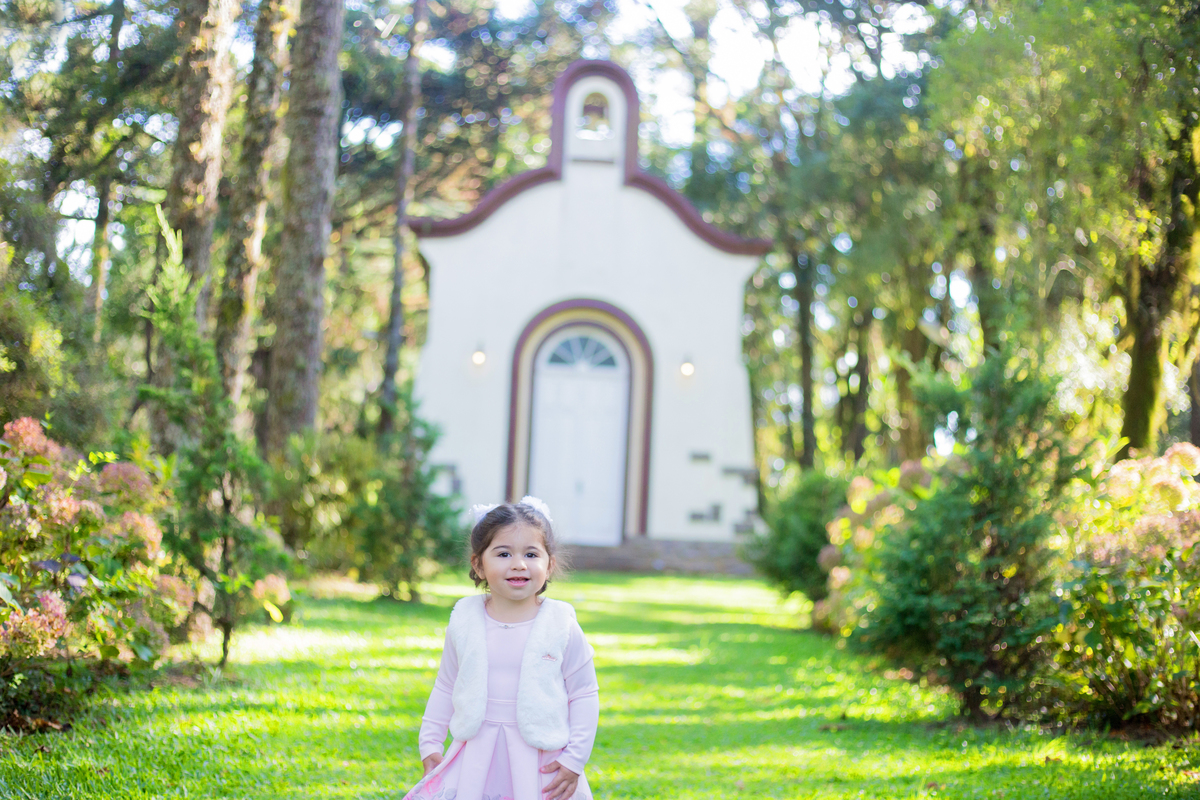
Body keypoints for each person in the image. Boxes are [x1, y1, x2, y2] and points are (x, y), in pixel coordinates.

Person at [403, 497, 600, 800]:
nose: (518, 563)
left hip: (541, 760)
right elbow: (446, 684)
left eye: (531, 554)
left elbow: (584, 692)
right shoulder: (465, 620)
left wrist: (574, 759)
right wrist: (430, 741)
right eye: (504, 553)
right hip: (478, 755)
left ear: (550, 566)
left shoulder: (561, 625)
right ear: (478, 564)